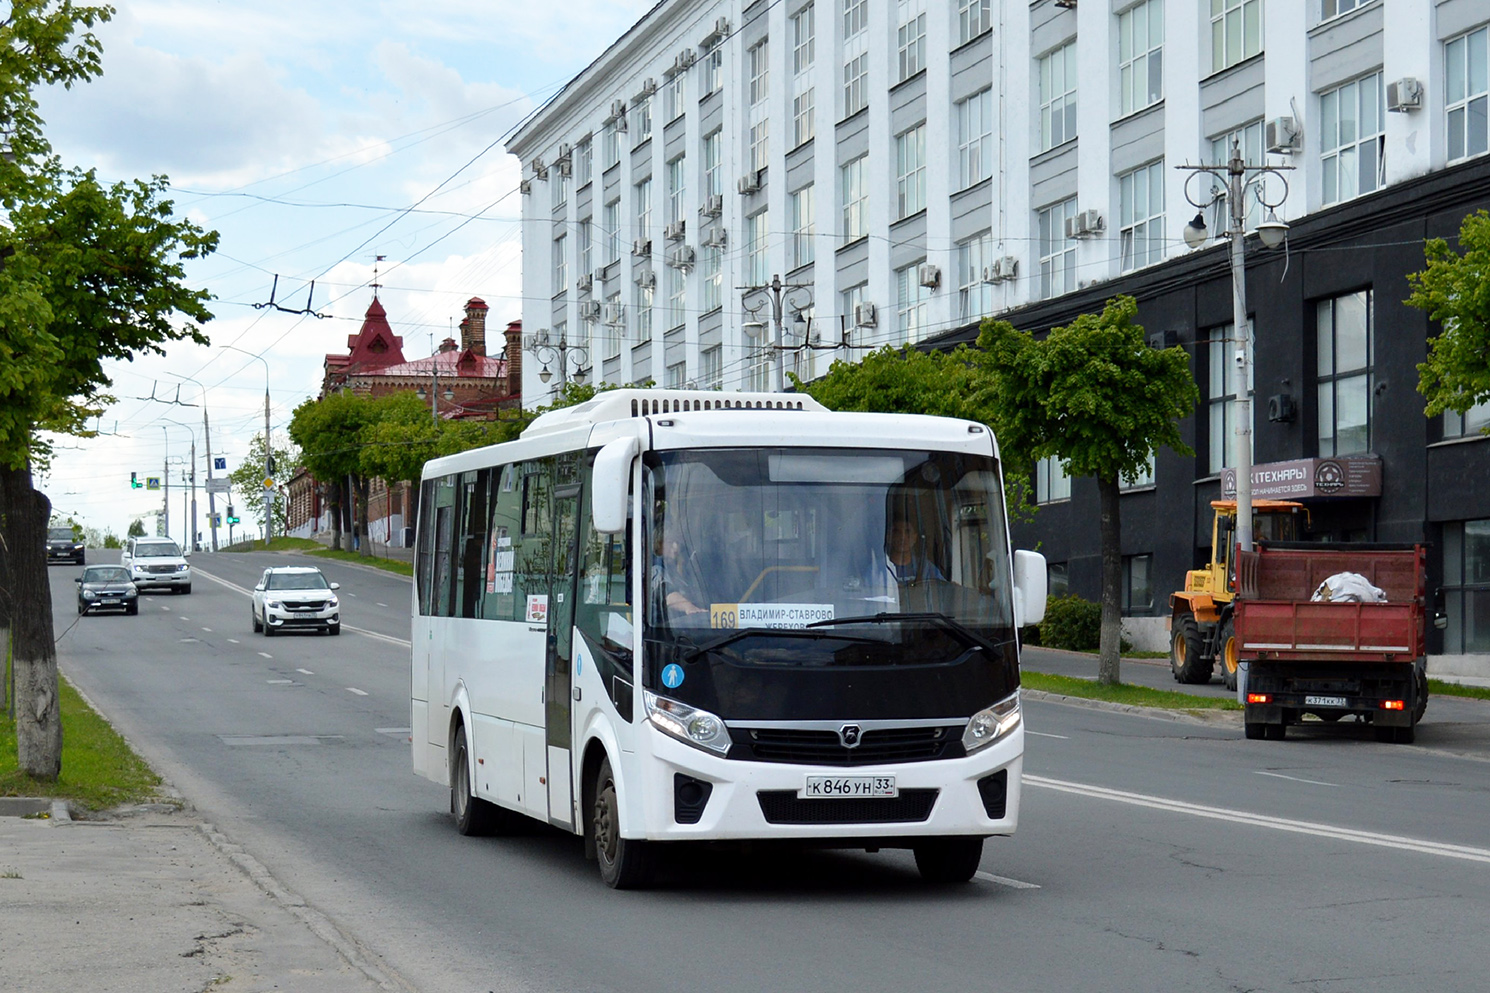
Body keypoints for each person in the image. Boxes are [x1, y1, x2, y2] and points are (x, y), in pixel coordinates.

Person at [885, 516, 945, 585]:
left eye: (907, 531)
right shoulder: (879, 568)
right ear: (889, 537)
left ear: (914, 537)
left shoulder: (926, 567)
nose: (902, 537)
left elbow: (944, 589)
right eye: (896, 531)